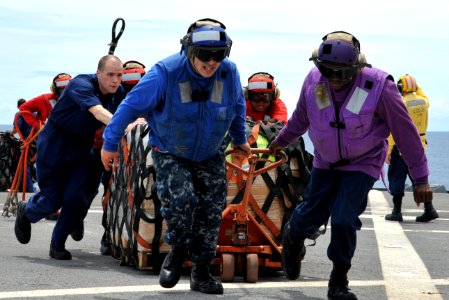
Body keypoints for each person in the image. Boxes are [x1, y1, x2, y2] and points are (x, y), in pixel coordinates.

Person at [268, 31, 433, 300]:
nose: (333, 78)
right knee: (311, 214)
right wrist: (281, 141)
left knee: (344, 219)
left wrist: (421, 178)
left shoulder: (380, 86)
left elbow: (405, 132)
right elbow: (301, 116)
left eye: (341, 73)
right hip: (325, 159)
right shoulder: (314, 80)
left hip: (363, 162)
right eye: (327, 70)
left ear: (357, 66)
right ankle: (293, 238)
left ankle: (338, 280)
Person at [101, 18, 250, 295]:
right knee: (182, 201)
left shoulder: (229, 73)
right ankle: (178, 248)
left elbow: (237, 106)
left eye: (218, 55)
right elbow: (129, 107)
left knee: (211, 211)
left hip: (210, 153)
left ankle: (201, 272)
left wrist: (240, 140)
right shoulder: (165, 72)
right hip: (171, 151)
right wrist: (109, 143)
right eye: (205, 54)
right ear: (189, 50)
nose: (211, 62)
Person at [14, 55, 126, 261]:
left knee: (76, 198)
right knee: (52, 199)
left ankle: (57, 243)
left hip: (81, 147)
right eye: (110, 75)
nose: (115, 80)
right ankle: (26, 211)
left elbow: (129, 110)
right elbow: (98, 111)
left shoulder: (117, 92)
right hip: (55, 144)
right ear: (98, 73)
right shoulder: (80, 84)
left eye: (119, 75)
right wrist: (123, 124)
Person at [93, 59, 146, 256]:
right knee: (110, 190)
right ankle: (108, 234)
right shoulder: (108, 95)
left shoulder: (150, 91)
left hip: (141, 154)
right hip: (110, 151)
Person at [385, 74, 438, 222]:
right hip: (421, 144)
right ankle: (429, 208)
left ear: (401, 87)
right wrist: (414, 85)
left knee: (396, 177)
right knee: (420, 178)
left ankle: (396, 211)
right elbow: (422, 94)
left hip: (401, 147)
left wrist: (388, 151)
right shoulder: (423, 102)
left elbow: (393, 131)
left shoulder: (401, 103)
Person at [19, 73, 73, 218]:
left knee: (67, 179)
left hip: (66, 145)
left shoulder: (76, 99)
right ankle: (47, 209)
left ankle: (53, 208)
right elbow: (24, 108)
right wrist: (37, 126)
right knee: (50, 179)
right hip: (48, 144)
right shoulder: (44, 99)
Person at [10, 98, 34, 193]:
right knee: (34, 164)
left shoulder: (20, 114)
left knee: (25, 165)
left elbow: (17, 128)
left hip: (27, 142)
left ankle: (29, 188)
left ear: (18, 106)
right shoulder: (34, 112)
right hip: (38, 141)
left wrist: (10, 133)